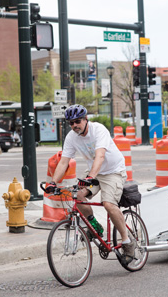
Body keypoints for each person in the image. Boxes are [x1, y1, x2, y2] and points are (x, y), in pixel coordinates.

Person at [45, 104, 136, 265]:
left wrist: (91, 177)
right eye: (71, 123)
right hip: (93, 173)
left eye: (77, 121)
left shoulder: (99, 130)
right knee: (77, 196)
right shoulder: (71, 137)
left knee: (108, 204)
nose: (74, 125)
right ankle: (95, 227)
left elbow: (100, 156)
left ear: (86, 119)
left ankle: (127, 242)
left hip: (113, 171)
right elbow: (63, 162)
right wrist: (53, 183)